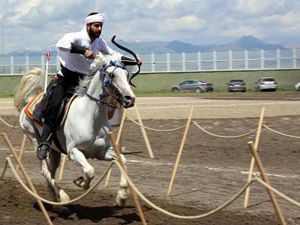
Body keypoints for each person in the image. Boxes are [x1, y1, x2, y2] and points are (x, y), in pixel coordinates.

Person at [37, 12, 141, 160]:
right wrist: (83, 50)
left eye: (101, 26)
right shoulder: (75, 37)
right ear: (88, 25)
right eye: (96, 26)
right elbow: (61, 44)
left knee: (99, 102)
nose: (99, 29)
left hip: (85, 80)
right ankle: (45, 142)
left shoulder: (100, 43)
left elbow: (114, 55)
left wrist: (133, 60)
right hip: (65, 79)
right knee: (54, 106)